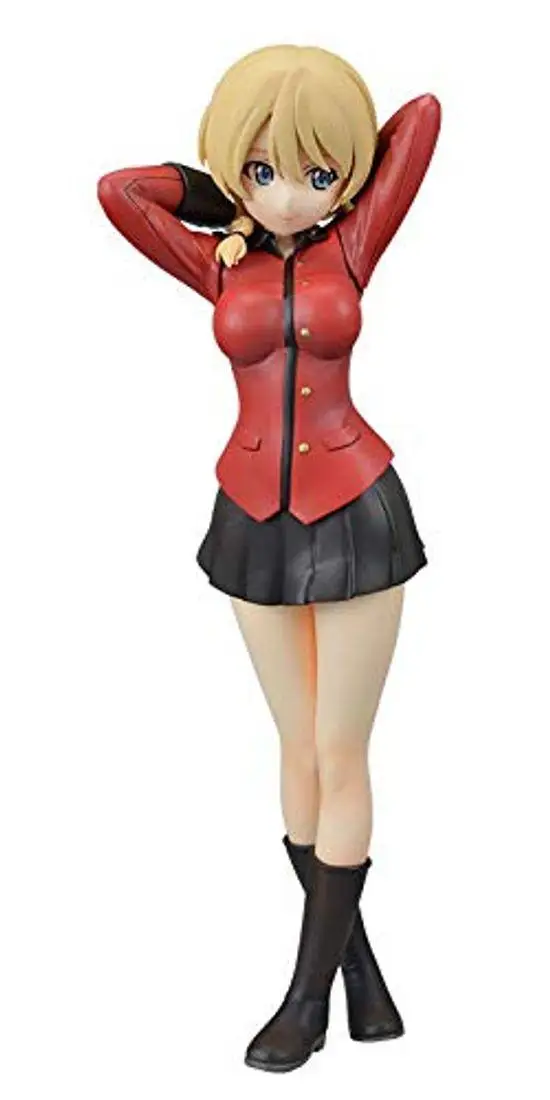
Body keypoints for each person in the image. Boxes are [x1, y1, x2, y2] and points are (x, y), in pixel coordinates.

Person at [97, 43, 442, 1073]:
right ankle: (361, 972)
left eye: (314, 171)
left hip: (355, 510)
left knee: (341, 753)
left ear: (345, 179)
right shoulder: (218, 263)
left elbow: (421, 119)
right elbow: (120, 193)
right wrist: (216, 190)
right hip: (251, 514)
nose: (289, 193)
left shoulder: (355, 246)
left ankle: (306, 998)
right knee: (295, 753)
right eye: (263, 169)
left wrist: (335, 167)